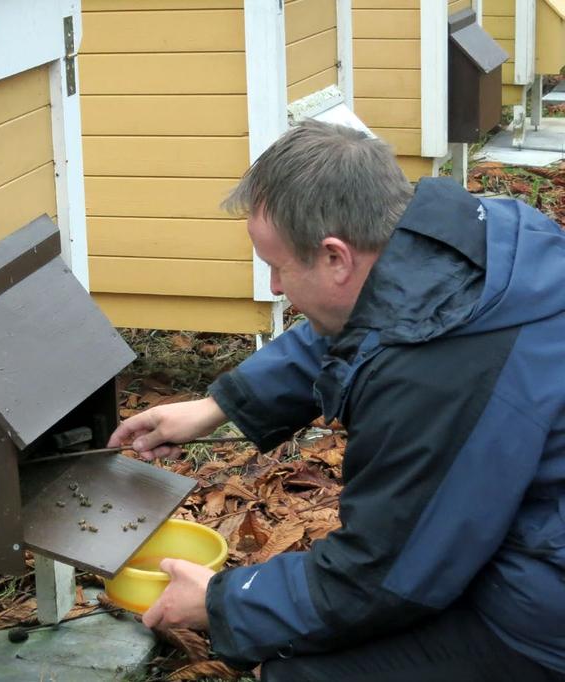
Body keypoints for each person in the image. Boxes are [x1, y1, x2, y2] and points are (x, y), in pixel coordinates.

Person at [108, 120, 565, 681]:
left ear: (336, 258)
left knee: (298, 672)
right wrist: (218, 405)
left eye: (278, 267)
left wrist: (223, 601)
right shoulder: (481, 238)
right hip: (534, 529)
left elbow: (385, 579)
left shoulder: (435, 378)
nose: (275, 287)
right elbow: (366, 324)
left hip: (543, 615)